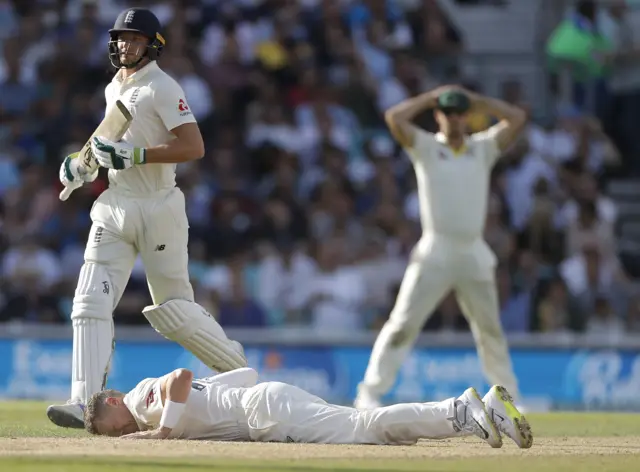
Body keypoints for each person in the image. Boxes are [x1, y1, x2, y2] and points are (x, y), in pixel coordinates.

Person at [48, 8, 247, 429]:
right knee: (89, 301)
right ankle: (83, 402)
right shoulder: (114, 86)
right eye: (121, 38)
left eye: (135, 39)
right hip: (117, 203)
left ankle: (238, 373)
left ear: (153, 45)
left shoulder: (162, 86)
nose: (125, 45)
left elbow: (193, 146)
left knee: (173, 310)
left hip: (158, 207)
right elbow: (108, 139)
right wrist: (81, 165)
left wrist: (138, 155)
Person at [354, 86, 527, 410]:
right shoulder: (427, 147)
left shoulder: (483, 147)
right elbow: (394, 117)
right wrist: (431, 96)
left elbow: (517, 118)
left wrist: (480, 101)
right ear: (438, 116)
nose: (455, 119)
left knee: (490, 329)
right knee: (403, 323)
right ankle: (370, 393)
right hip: (435, 249)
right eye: (448, 112)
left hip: (473, 250)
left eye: (460, 112)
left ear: (467, 115)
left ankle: (510, 398)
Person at [83, 367, 533, 449]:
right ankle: (466, 413)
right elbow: (244, 376)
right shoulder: (145, 405)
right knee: (364, 429)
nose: (121, 434)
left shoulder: (142, 400)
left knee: (365, 429)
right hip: (264, 403)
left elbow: (181, 377)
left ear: (115, 401)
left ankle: (463, 409)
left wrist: (162, 432)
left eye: (113, 427)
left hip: (263, 414)